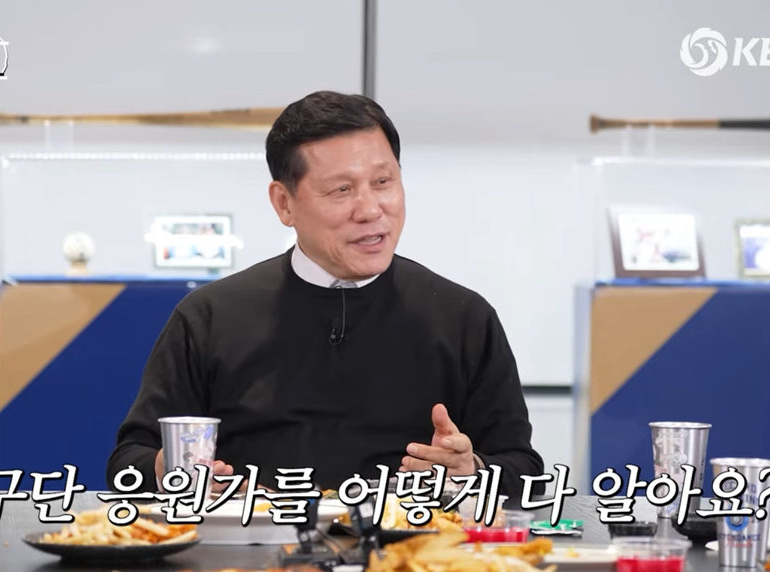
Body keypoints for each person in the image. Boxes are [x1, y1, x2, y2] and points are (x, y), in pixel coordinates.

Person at [106, 90, 544, 503]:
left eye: (383, 181)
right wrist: (172, 469)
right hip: (253, 545)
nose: (370, 209)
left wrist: (471, 471)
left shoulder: (463, 317)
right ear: (284, 203)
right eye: (341, 190)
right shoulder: (209, 317)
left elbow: (523, 470)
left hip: (410, 545)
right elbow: (127, 464)